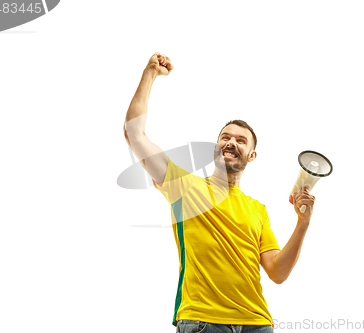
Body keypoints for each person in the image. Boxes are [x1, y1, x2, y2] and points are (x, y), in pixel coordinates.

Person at [123, 52, 315, 333]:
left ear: (251, 155)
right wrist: (150, 74)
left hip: (258, 325)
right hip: (203, 322)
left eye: (241, 140)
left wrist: (303, 223)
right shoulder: (183, 185)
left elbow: (278, 272)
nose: (231, 142)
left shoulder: (257, 209)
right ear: (216, 147)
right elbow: (134, 134)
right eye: (225, 137)